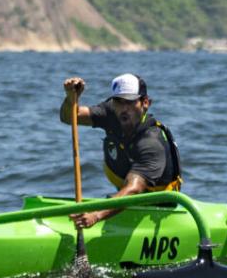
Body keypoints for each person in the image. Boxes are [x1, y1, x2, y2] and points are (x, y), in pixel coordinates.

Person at [59, 73, 182, 229]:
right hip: (126, 204)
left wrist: (96, 215)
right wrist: (71, 98)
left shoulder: (151, 142)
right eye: (118, 102)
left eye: (130, 102)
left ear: (145, 103)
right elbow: (69, 117)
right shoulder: (110, 113)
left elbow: (134, 189)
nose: (124, 109)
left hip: (159, 213)